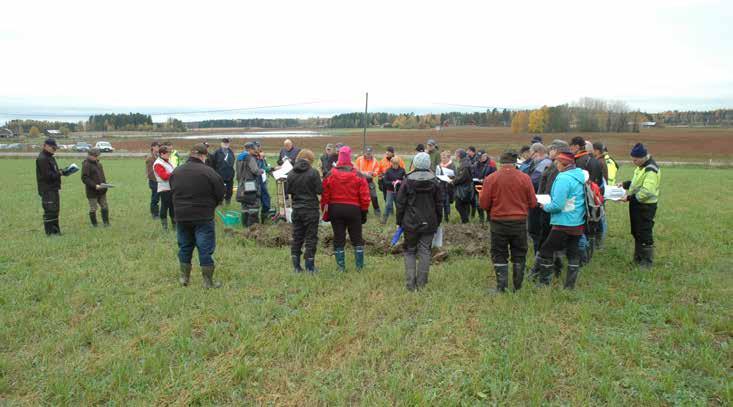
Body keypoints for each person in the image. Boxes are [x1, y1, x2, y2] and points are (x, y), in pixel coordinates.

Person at [480, 150, 537, 293]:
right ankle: (518, 287)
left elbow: (484, 204)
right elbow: (533, 202)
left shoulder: (491, 178)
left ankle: (501, 287)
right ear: (515, 162)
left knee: (499, 253)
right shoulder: (525, 178)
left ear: (501, 162)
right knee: (519, 253)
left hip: (498, 223)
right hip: (519, 222)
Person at [169, 144, 225, 288]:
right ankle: (208, 282)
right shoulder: (209, 172)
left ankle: (184, 278)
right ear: (203, 156)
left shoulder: (176, 172)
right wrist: (213, 204)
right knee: (205, 248)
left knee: (184, 246)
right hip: (203, 216)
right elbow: (220, 193)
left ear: (190, 155)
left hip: (181, 216)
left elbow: (173, 191)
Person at [537, 150, 586, 289]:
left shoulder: (563, 178)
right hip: (577, 221)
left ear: (563, 164)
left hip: (563, 222)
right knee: (572, 252)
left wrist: (545, 206)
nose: (555, 164)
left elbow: (558, 205)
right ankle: (570, 286)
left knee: (546, 250)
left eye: (557, 162)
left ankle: (543, 283)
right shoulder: (579, 175)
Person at [396, 152, 443, 291]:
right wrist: (437, 221)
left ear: (415, 164)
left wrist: (399, 222)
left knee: (410, 251)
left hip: (410, 222)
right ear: (428, 164)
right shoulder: (435, 181)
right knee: (424, 251)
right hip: (429, 222)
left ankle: (411, 285)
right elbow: (439, 204)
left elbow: (400, 204)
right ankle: (422, 285)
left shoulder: (407, 181)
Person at [321, 146, 371, 272]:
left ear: (339, 157)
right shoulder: (358, 174)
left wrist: (325, 211)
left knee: (339, 238)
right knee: (356, 238)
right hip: (354, 210)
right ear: (349, 157)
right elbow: (365, 196)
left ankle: (341, 267)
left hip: (335, 209)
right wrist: (364, 212)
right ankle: (359, 267)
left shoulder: (331, 174)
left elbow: (325, 195)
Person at [530, 140, 568, 280]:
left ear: (557, 151)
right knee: (549, 240)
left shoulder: (558, 168)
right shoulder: (554, 165)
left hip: (550, 208)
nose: (549, 152)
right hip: (545, 205)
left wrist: (545, 202)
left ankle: (545, 271)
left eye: (551, 149)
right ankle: (553, 268)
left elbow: (552, 188)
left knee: (547, 241)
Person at [620, 143, 661, 268]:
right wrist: (624, 184)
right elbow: (637, 183)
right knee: (637, 232)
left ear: (643, 157)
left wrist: (629, 198)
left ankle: (647, 262)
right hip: (637, 205)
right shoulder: (641, 167)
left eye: (635, 159)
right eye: (632, 159)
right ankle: (637, 259)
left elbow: (647, 191)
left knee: (644, 232)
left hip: (645, 207)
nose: (633, 161)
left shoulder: (651, 169)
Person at [287, 149, 323, 273]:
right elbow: (319, 190)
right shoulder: (313, 172)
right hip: (311, 209)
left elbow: (288, 191)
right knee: (311, 238)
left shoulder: (291, 173)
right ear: (310, 160)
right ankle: (310, 267)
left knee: (297, 237)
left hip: (296, 209)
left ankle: (296, 267)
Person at [570, 136, 604, 262]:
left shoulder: (578, 162)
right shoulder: (594, 160)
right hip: (593, 198)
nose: (570, 149)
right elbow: (599, 182)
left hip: (582, 199)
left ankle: (583, 257)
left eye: (571, 146)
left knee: (582, 228)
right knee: (591, 227)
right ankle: (589, 254)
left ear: (577, 147)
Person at [36, 138, 72, 235]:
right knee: (50, 210)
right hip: (47, 189)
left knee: (55, 210)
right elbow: (47, 176)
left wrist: (63, 171)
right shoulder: (42, 158)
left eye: (55, 148)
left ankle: (56, 232)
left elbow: (53, 171)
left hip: (53, 188)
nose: (54, 150)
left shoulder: (50, 157)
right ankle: (50, 233)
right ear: (45, 146)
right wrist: (60, 173)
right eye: (53, 148)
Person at [81, 148, 110, 227]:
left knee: (104, 206)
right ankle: (94, 224)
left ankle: (106, 223)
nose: (97, 157)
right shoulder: (86, 164)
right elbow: (84, 178)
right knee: (93, 208)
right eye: (96, 156)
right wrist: (95, 185)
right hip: (92, 191)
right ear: (90, 156)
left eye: (98, 155)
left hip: (102, 190)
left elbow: (102, 176)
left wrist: (105, 185)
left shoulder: (99, 164)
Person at [236, 142, 263, 227]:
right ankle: (253, 227)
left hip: (241, 183)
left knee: (244, 204)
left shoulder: (239, 158)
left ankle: (245, 226)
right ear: (250, 149)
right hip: (250, 183)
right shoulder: (250, 158)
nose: (255, 151)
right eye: (254, 149)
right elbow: (255, 171)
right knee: (254, 203)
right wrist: (261, 170)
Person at [154, 145, 176, 231]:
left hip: (171, 187)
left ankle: (174, 226)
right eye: (168, 153)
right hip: (164, 188)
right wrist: (175, 173)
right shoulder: (158, 163)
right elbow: (164, 176)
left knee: (172, 207)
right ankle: (165, 227)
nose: (169, 154)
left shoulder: (166, 161)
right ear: (162, 153)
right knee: (164, 207)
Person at [354, 146, 381, 216]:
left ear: (372, 153)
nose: (368, 155)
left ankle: (377, 209)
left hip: (370, 180)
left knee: (373, 196)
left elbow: (377, 170)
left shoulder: (375, 161)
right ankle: (364, 210)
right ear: (364, 153)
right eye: (367, 153)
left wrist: (373, 173)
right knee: (361, 196)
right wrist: (362, 173)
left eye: (369, 153)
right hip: (360, 180)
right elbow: (355, 169)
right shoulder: (359, 159)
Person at [472, 151, 496, 224]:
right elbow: (473, 174)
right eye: (479, 158)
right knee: (478, 204)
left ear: (486, 156)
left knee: (488, 204)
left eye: (482, 157)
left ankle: (488, 219)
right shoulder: (475, 164)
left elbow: (495, 175)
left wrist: (486, 179)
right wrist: (475, 178)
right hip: (477, 187)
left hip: (488, 187)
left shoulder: (492, 164)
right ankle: (481, 219)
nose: (480, 159)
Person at [381, 157, 406, 224]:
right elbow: (385, 181)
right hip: (390, 191)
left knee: (399, 206)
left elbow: (405, 180)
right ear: (391, 163)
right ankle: (384, 219)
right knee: (388, 205)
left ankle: (400, 220)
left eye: (396, 164)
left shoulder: (402, 170)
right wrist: (391, 182)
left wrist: (400, 182)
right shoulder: (388, 171)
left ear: (398, 163)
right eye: (393, 164)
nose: (395, 165)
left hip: (399, 191)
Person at [452, 148, 474, 224]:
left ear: (459, 155)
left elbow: (462, 178)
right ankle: (465, 221)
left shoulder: (465, 165)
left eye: (455, 154)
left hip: (464, 189)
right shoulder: (465, 162)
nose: (455, 156)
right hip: (467, 188)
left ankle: (465, 221)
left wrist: (453, 181)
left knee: (459, 205)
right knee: (465, 205)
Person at [212, 138, 236, 205]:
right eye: (224, 143)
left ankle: (228, 202)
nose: (226, 144)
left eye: (227, 143)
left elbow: (233, 161)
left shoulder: (231, 152)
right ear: (221, 144)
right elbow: (213, 163)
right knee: (220, 190)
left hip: (229, 175)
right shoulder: (217, 152)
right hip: (219, 175)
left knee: (229, 190)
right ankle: (220, 202)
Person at [435, 150, 456, 222]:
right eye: (442, 157)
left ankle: (447, 217)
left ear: (448, 158)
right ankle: (440, 217)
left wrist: (448, 178)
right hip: (440, 186)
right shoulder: (439, 165)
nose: (442, 159)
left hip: (448, 187)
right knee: (440, 202)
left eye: (444, 157)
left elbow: (454, 176)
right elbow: (437, 174)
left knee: (447, 203)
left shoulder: (452, 165)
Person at [254, 142, 272, 223]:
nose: (258, 148)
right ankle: (255, 221)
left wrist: (273, 168)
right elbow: (256, 169)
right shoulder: (252, 157)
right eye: (257, 147)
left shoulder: (261, 157)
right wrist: (260, 159)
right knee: (256, 202)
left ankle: (264, 220)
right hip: (256, 182)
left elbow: (264, 167)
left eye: (259, 146)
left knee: (266, 201)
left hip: (263, 182)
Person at [145, 141, 161, 218]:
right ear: (153, 147)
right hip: (154, 181)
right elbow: (150, 172)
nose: (159, 148)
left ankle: (156, 212)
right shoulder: (150, 158)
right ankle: (154, 214)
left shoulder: (158, 157)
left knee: (157, 198)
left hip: (159, 181)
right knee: (155, 198)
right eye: (157, 146)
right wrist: (157, 180)